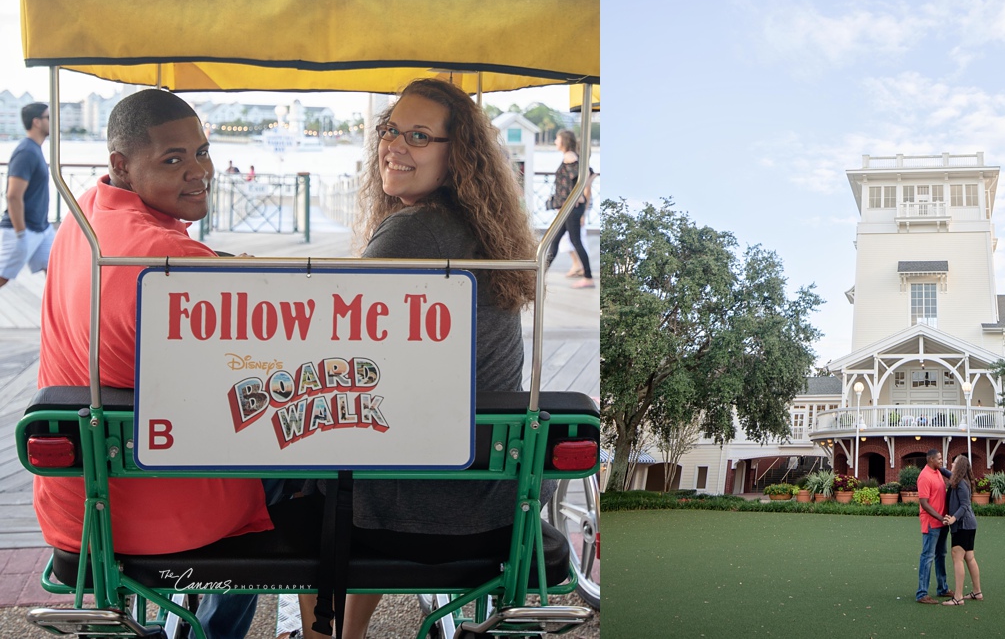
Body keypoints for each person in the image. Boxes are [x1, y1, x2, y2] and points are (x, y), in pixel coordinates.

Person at [297, 78, 538, 639]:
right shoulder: (472, 226)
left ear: (458, 157)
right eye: (390, 129)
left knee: (288, 476)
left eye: (419, 136)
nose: (394, 145)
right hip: (495, 494)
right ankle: (348, 632)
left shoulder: (416, 229)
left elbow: (323, 341)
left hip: (430, 504)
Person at [35, 89, 274, 639]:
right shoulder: (176, 266)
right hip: (166, 511)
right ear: (121, 164)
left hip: (79, 504)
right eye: (173, 159)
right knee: (325, 460)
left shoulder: (86, 214)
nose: (199, 171)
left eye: (202, 152)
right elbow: (255, 386)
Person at [0, 103, 55, 289]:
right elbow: (13, 195)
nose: (53, 121)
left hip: (42, 228)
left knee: (55, 270)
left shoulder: (34, 149)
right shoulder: (26, 152)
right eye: (49, 117)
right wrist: (21, 233)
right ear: (37, 122)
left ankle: (56, 316)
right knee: (2, 277)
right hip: (22, 229)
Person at [544, 128, 594, 288]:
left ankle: (588, 277)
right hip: (569, 208)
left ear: (564, 141)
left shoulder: (570, 157)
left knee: (573, 241)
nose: (555, 142)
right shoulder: (571, 157)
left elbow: (585, 175)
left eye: (557, 139)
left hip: (571, 208)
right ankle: (539, 273)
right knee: (555, 240)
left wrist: (577, 195)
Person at [941, 455, 983, 605]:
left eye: (955, 462)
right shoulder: (958, 480)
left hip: (963, 525)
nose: (952, 464)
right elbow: (946, 472)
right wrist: (937, 465)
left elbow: (964, 505)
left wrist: (953, 519)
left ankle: (958, 597)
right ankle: (977, 592)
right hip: (970, 524)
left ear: (959, 467)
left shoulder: (961, 484)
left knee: (957, 556)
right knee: (969, 557)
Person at [915, 449, 953, 603]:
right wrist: (940, 517)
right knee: (928, 557)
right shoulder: (924, 476)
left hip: (942, 522)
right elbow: (924, 503)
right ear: (930, 459)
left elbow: (952, 475)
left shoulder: (937, 472)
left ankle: (942, 588)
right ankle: (922, 593)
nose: (941, 461)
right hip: (932, 523)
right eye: (939, 458)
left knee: (940, 555)